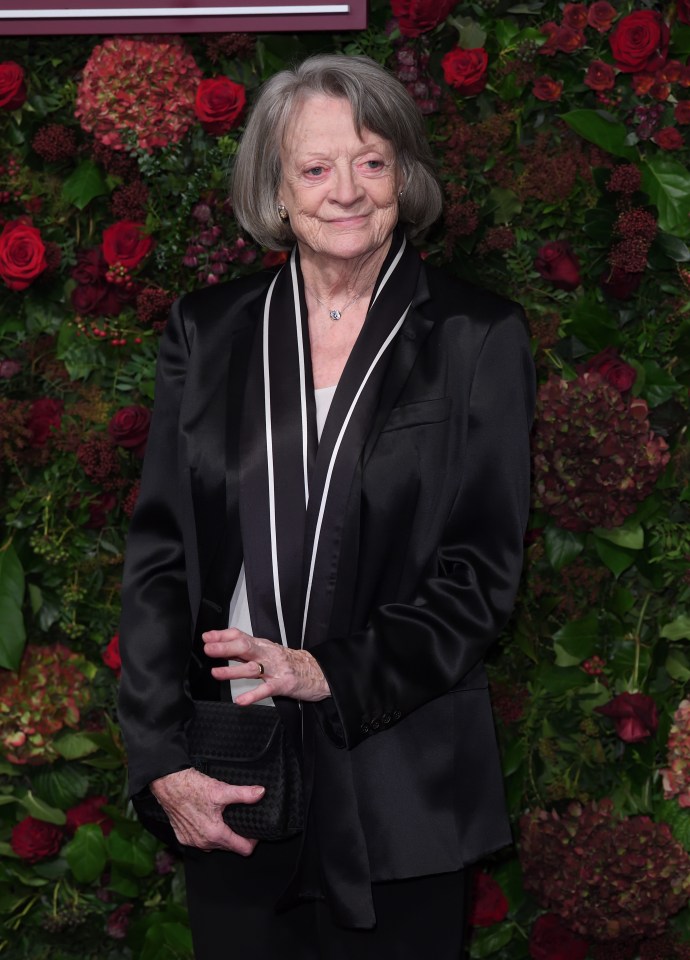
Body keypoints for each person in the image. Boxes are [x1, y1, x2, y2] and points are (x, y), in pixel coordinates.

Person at [118, 53, 535, 959]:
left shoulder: (478, 337)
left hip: (405, 786)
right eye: (315, 168)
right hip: (229, 773)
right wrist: (159, 759)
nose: (347, 190)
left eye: (373, 161)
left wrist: (327, 672)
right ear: (275, 190)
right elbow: (161, 559)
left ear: (405, 178)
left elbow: (480, 578)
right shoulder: (208, 329)